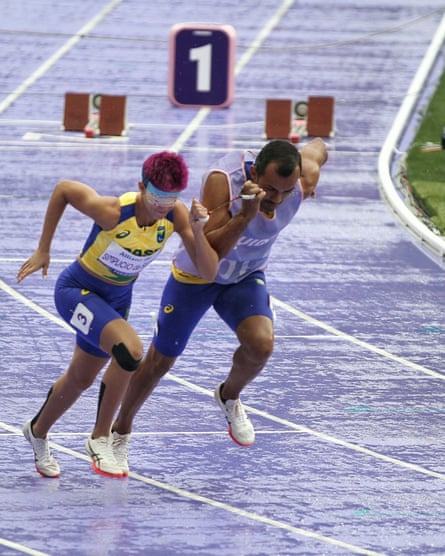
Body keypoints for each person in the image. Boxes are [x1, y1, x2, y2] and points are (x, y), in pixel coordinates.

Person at [103, 138, 328, 475]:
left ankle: (229, 396)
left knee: (261, 345)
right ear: (253, 173)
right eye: (269, 189)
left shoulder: (304, 175)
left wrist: (308, 169)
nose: (277, 199)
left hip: (244, 276)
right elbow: (209, 250)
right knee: (160, 360)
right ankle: (120, 431)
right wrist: (246, 216)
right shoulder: (223, 180)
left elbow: (319, 145)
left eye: (286, 191)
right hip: (198, 276)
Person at [17, 151, 219, 479]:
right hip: (78, 291)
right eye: (156, 197)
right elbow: (64, 189)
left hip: (117, 299)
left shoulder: (176, 216)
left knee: (81, 379)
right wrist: (43, 249)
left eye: (172, 199)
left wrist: (198, 229)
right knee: (131, 351)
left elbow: (209, 272)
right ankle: (100, 438)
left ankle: (37, 431)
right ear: (142, 187)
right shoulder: (113, 212)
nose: (163, 206)